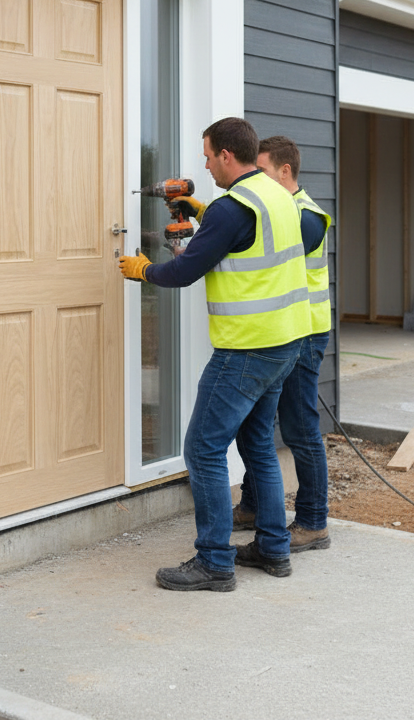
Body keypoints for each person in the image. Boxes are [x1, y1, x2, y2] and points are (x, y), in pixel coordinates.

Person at [118, 117, 311, 591]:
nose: (204, 166)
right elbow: (244, 239)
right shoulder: (278, 196)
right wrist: (203, 212)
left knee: (202, 449)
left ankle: (213, 562)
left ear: (227, 155)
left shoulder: (230, 208)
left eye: (207, 157)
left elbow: (182, 273)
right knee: (259, 446)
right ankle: (273, 547)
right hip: (286, 342)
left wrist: (143, 269)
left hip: (245, 350)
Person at [233, 136, 334, 551]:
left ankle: (313, 522)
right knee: (258, 424)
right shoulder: (277, 209)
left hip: (304, 335)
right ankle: (255, 505)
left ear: (284, 172)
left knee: (300, 429)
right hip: (279, 332)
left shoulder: (307, 217)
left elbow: (261, 233)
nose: (256, 180)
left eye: (262, 171)